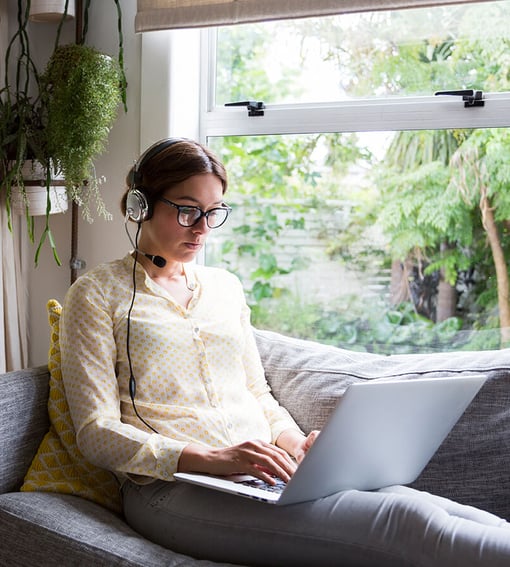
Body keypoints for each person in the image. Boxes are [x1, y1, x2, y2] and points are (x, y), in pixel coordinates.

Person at [60, 137, 510, 567]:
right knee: (409, 524)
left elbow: (258, 394)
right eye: (187, 211)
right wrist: (214, 458)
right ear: (140, 205)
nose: (201, 229)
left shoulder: (224, 288)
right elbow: (96, 432)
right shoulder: (96, 295)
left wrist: (298, 445)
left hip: (264, 477)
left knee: (434, 507)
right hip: (170, 490)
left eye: (213, 213)